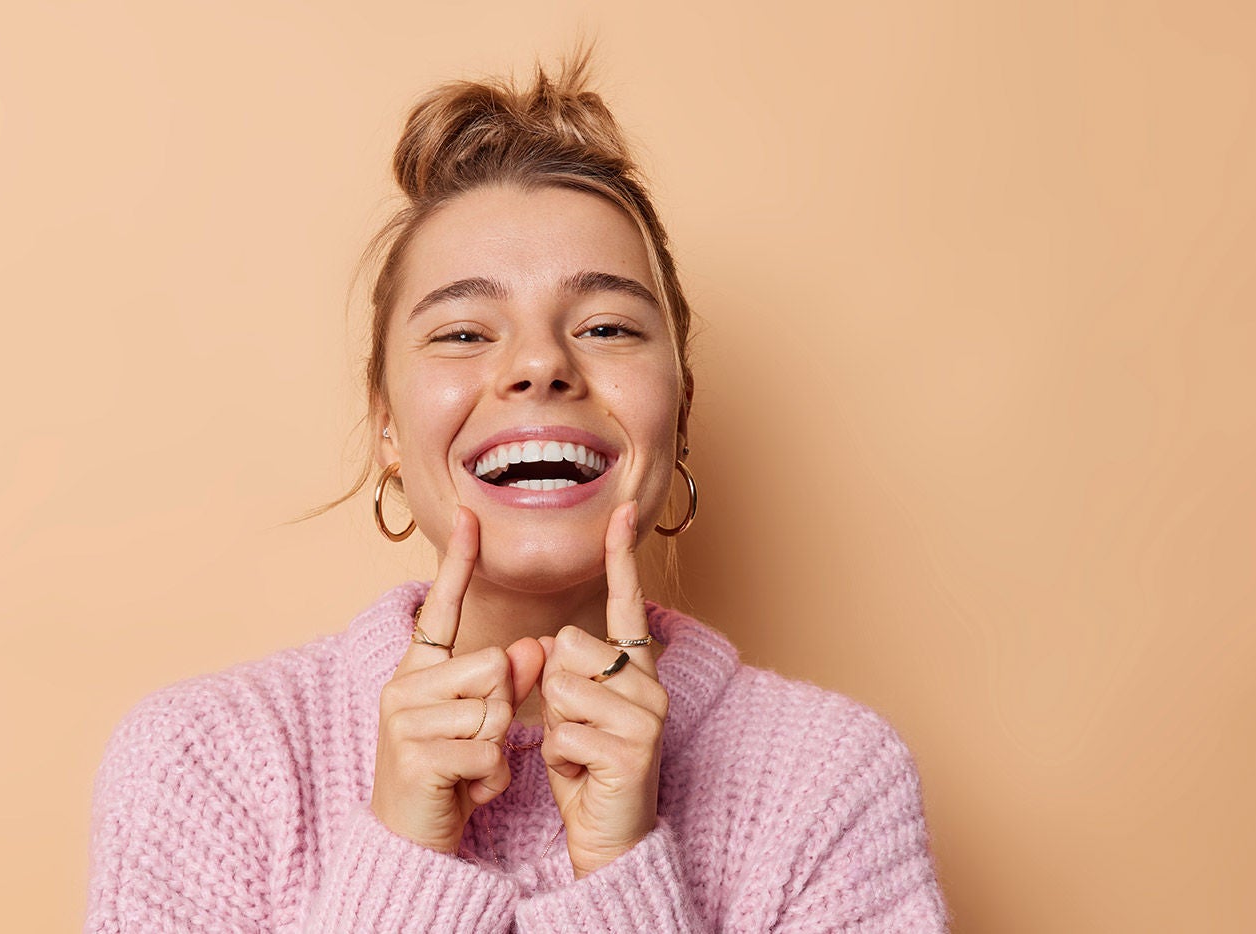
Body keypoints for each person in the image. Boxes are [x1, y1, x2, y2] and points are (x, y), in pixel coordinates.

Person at [84, 53, 950, 932]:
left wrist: (619, 868)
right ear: (387, 426)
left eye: (606, 327)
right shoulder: (203, 762)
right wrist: (403, 858)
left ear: (680, 411)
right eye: (464, 333)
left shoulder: (831, 781)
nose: (540, 364)